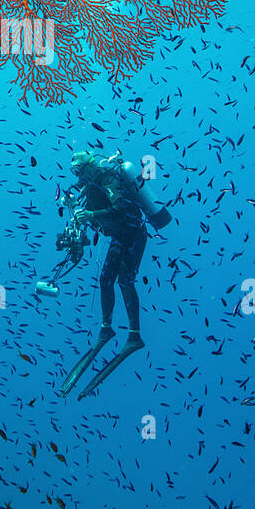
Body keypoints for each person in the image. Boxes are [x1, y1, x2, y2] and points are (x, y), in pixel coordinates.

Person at [59, 150, 171, 399]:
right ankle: (106, 328)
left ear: (89, 167)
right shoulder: (90, 186)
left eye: (80, 170)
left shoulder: (109, 179)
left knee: (125, 281)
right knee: (105, 279)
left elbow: (120, 209)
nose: (78, 176)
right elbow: (92, 211)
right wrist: (79, 215)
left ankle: (134, 335)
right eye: (75, 172)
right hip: (120, 237)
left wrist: (91, 215)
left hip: (133, 234)